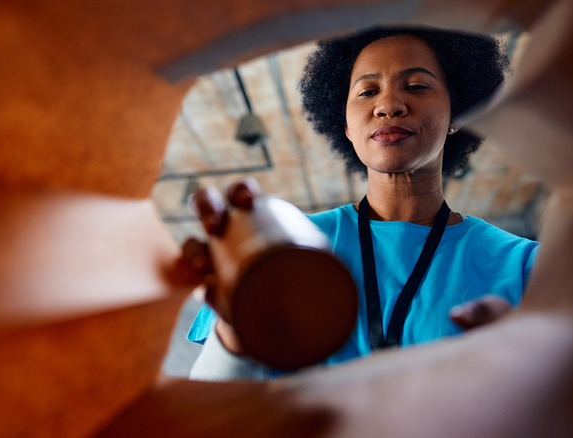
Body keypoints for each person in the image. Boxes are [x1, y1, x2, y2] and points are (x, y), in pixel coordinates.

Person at [181, 26, 540, 381]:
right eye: (367, 91)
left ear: (457, 114)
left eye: (417, 86)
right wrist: (235, 332)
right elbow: (210, 404)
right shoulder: (282, 251)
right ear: (347, 127)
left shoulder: (526, 266)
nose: (389, 105)